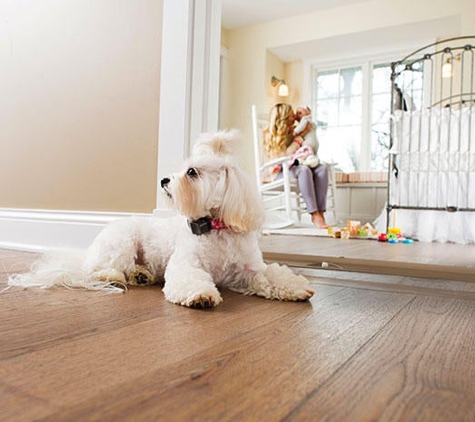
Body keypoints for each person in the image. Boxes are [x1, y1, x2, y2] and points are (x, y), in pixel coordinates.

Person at [263, 103, 329, 229]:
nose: (295, 119)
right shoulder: (271, 135)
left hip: (294, 166)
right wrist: (299, 138)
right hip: (278, 173)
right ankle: (314, 213)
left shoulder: (294, 130)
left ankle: (321, 212)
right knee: (303, 170)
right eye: (292, 116)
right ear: (284, 119)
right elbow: (283, 157)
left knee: (322, 169)